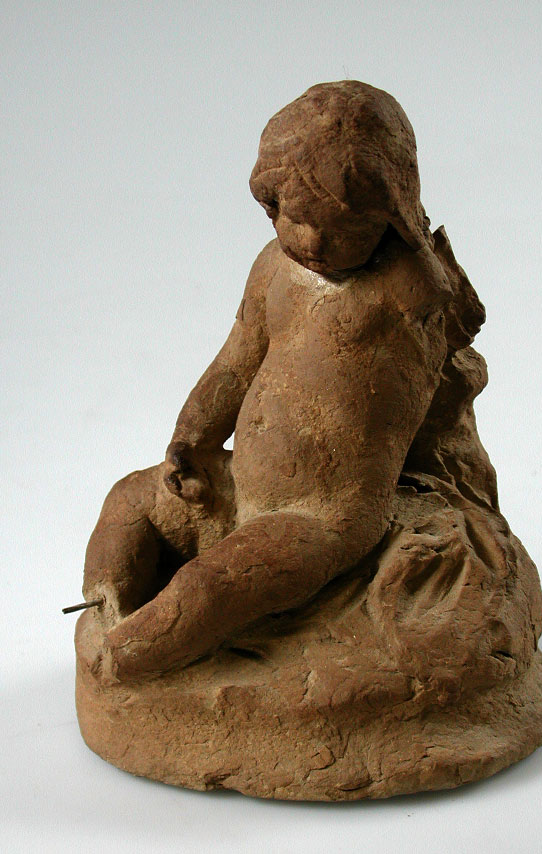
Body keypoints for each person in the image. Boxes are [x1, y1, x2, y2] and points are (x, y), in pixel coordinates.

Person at [84, 81, 483, 682]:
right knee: (128, 500)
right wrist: (190, 439)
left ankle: (125, 659)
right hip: (236, 486)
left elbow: (453, 312)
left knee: (215, 583)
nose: (315, 242)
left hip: (320, 518)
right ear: (270, 208)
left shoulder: (408, 289)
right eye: (296, 219)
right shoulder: (273, 269)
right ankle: (105, 605)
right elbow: (235, 363)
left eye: (344, 227)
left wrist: (424, 250)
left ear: (390, 216)